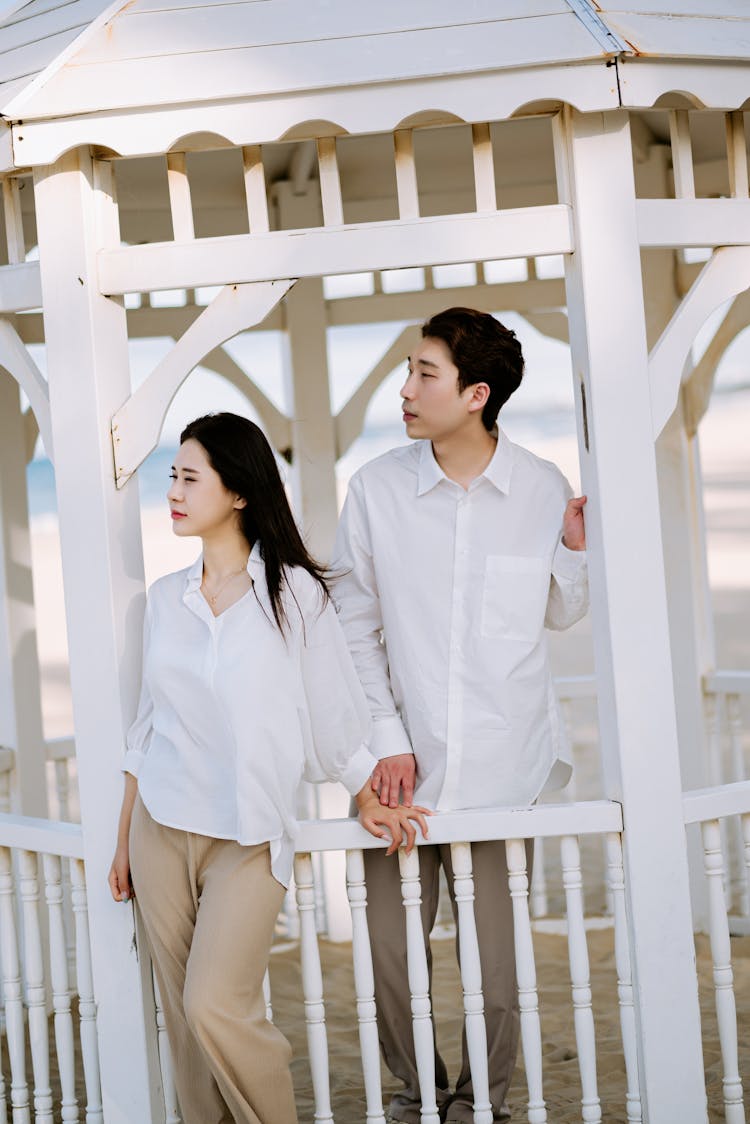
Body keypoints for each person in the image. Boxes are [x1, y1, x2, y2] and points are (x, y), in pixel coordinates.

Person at [108, 412, 429, 1124]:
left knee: (216, 1005)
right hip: (160, 829)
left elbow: (332, 714)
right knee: (185, 1029)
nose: (175, 492)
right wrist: (124, 835)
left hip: (249, 835)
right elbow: (145, 726)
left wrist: (365, 793)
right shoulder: (164, 600)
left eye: (192, 478)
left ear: (240, 492)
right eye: (172, 477)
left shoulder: (295, 594)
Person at [333, 307, 589, 1124]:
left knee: (499, 971)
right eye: (408, 370)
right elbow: (351, 626)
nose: (405, 390)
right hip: (396, 775)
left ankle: (485, 1105)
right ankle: (417, 1097)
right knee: (389, 958)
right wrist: (385, 742)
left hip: (501, 766)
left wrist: (578, 549)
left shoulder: (541, 488)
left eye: (425, 375)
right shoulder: (374, 490)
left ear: (477, 394)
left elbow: (558, 612)